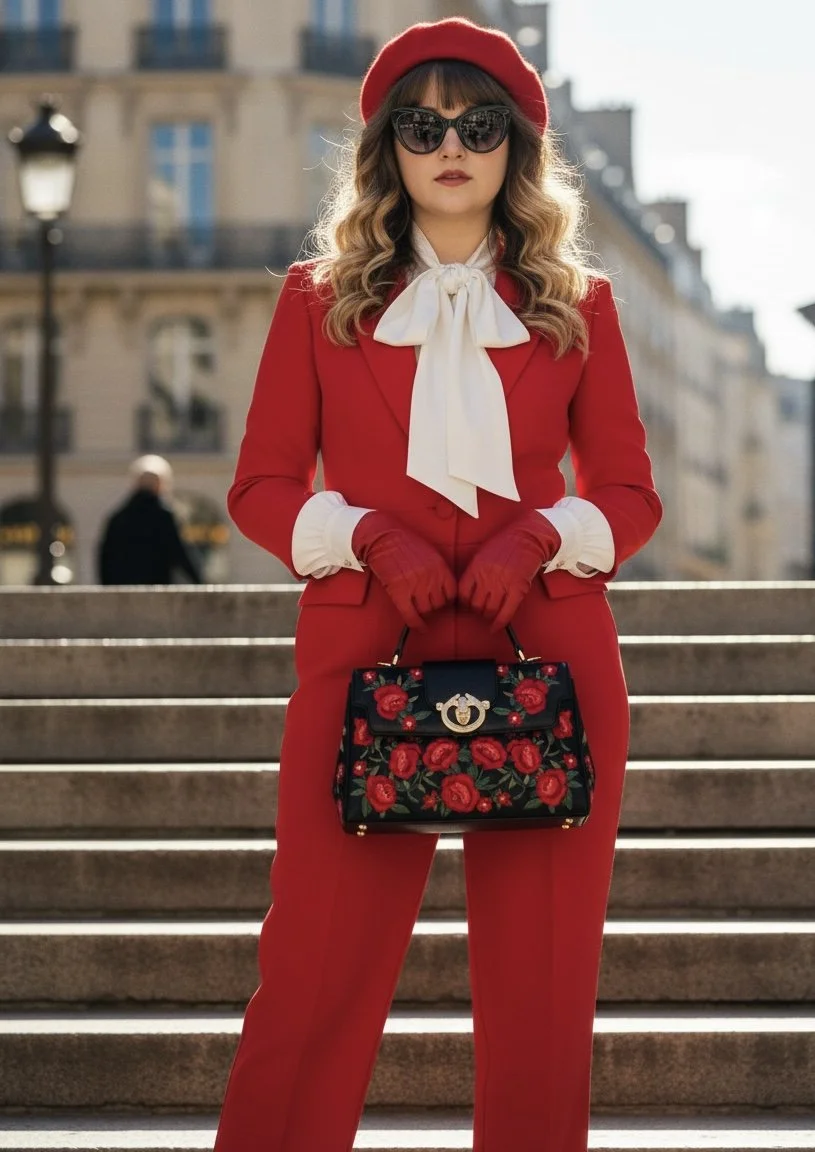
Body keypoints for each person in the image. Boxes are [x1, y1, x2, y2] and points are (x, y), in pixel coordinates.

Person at [216, 17, 662, 1152]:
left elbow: (628, 492)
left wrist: (537, 540)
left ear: (514, 147)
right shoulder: (317, 300)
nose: (450, 145)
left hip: (549, 659)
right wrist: (365, 536)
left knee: (544, 994)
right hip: (361, 650)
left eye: (478, 125)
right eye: (423, 125)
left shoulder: (580, 302)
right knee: (310, 971)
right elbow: (262, 486)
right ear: (388, 149)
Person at [96, 454, 202, 585]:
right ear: (161, 485)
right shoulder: (164, 517)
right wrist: (200, 582)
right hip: (157, 590)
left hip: (123, 593)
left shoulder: (118, 517)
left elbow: (105, 559)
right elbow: (180, 554)